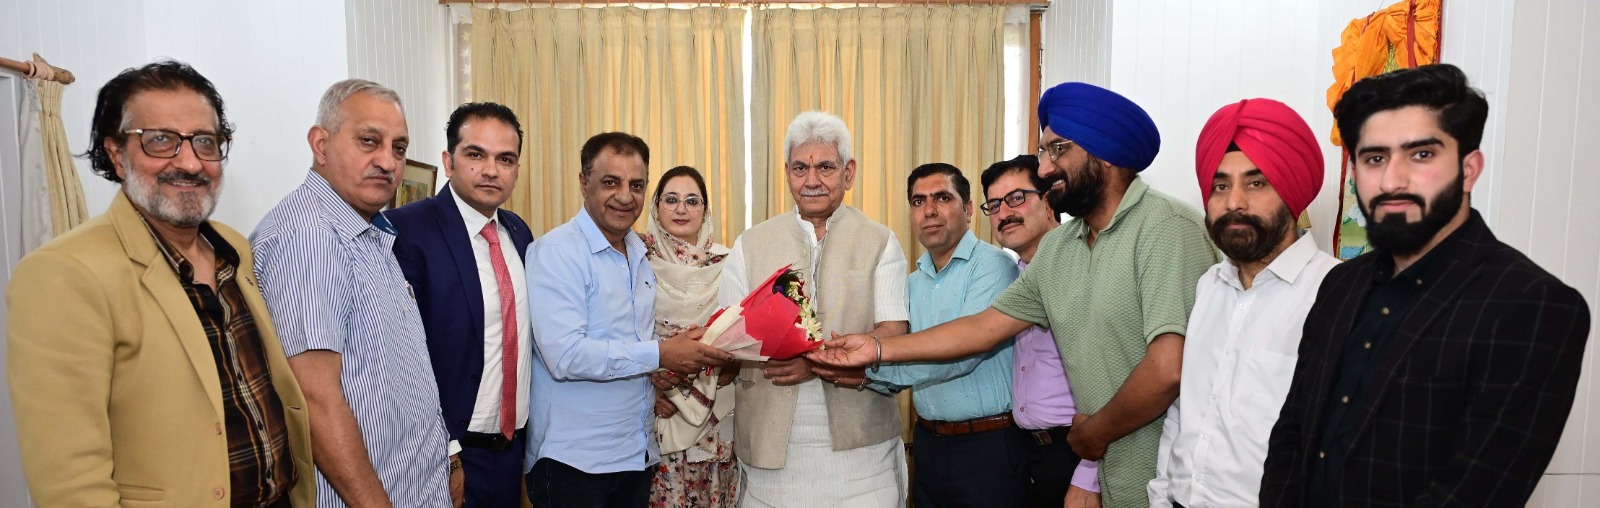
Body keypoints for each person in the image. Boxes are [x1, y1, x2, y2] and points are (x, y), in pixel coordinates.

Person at [811, 83, 1218, 507]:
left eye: (1057, 150)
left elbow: (1168, 367)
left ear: (1105, 153)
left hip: (1161, 472)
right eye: (1043, 152)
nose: (1044, 167)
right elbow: (983, 329)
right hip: (1092, 460)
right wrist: (876, 348)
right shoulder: (1062, 248)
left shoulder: (1166, 228)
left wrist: (1093, 438)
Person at [1260, 64, 1592, 507]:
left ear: (1469, 169)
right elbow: (1292, 436)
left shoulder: (1532, 304)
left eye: (1421, 155)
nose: (1392, 180)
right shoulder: (1340, 283)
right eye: (1375, 158)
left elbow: (1477, 492)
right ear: (1355, 172)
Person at [8, 60, 313, 507]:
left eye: (205, 141)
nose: (189, 162)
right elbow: (71, 484)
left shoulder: (232, 247)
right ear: (117, 154)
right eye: (160, 140)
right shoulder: (64, 274)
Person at [252, 79, 452, 507]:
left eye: (399, 148)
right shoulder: (309, 236)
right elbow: (314, 399)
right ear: (320, 144)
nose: (388, 162)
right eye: (368, 141)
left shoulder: (370, 230)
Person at [1145, 98, 1338, 508]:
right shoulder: (1210, 286)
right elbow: (1184, 411)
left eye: (1256, 183)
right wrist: (1162, 496)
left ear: (1291, 192)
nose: (1234, 202)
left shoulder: (1335, 293)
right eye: (1220, 186)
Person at [524, 133, 734, 508]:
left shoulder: (640, 252)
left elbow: (637, 339)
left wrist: (665, 374)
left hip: (636, 457)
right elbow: (566, 356)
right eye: (611, 182)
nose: (625, 196)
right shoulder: (557, 252)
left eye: (636, 185)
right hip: (575, 463)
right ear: (584, 182)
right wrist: (661, 355)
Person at [722, 111, 911, 507]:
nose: (811, 180)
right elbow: (729, 336)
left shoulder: (880, 241)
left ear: (848, 172)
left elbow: (894, 334)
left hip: (862, 452)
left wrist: (814, 361)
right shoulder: (749, 244)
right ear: (787, 173)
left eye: (825, 167)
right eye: (800, 168)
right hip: (770, 449)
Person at [387, 102, 534, 506]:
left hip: (512, 453)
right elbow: (401, 359)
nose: (491, 170)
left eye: (505, 159)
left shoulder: (518, 232)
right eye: (476, 154)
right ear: (448, 161)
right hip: (450, 455)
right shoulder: (407, 231)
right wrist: (449, 455)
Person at [863, 163, 1026, 506]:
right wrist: (848, 370)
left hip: (988, 446)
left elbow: (959, 357)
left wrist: (863, 364)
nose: (929, 210)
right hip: (929, 444)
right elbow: (898, 363)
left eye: (942, 198)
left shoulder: (994, 266)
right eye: (918, 201)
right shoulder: (911, 283)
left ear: (968, 209)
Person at [979, 154, 1101, 508]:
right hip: (1026, 454)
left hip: (1078, 452)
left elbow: (1113, 379)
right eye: (994, 205)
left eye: (1016, 198)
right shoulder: (1011, 278)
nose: (1004, 213)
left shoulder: (1086, 265)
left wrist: (1088, 476)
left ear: (1049, 201)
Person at [643, 165, 741, 508]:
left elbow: (744, 339)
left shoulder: (729, 264)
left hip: (716, 414)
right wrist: (649, 391)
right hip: (660, 413)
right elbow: (622, 338)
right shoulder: (636, 262)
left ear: (705, 209)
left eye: (692, 200)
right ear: (656, 207)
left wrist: (733, 365)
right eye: (671, 200)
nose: (681, 209)